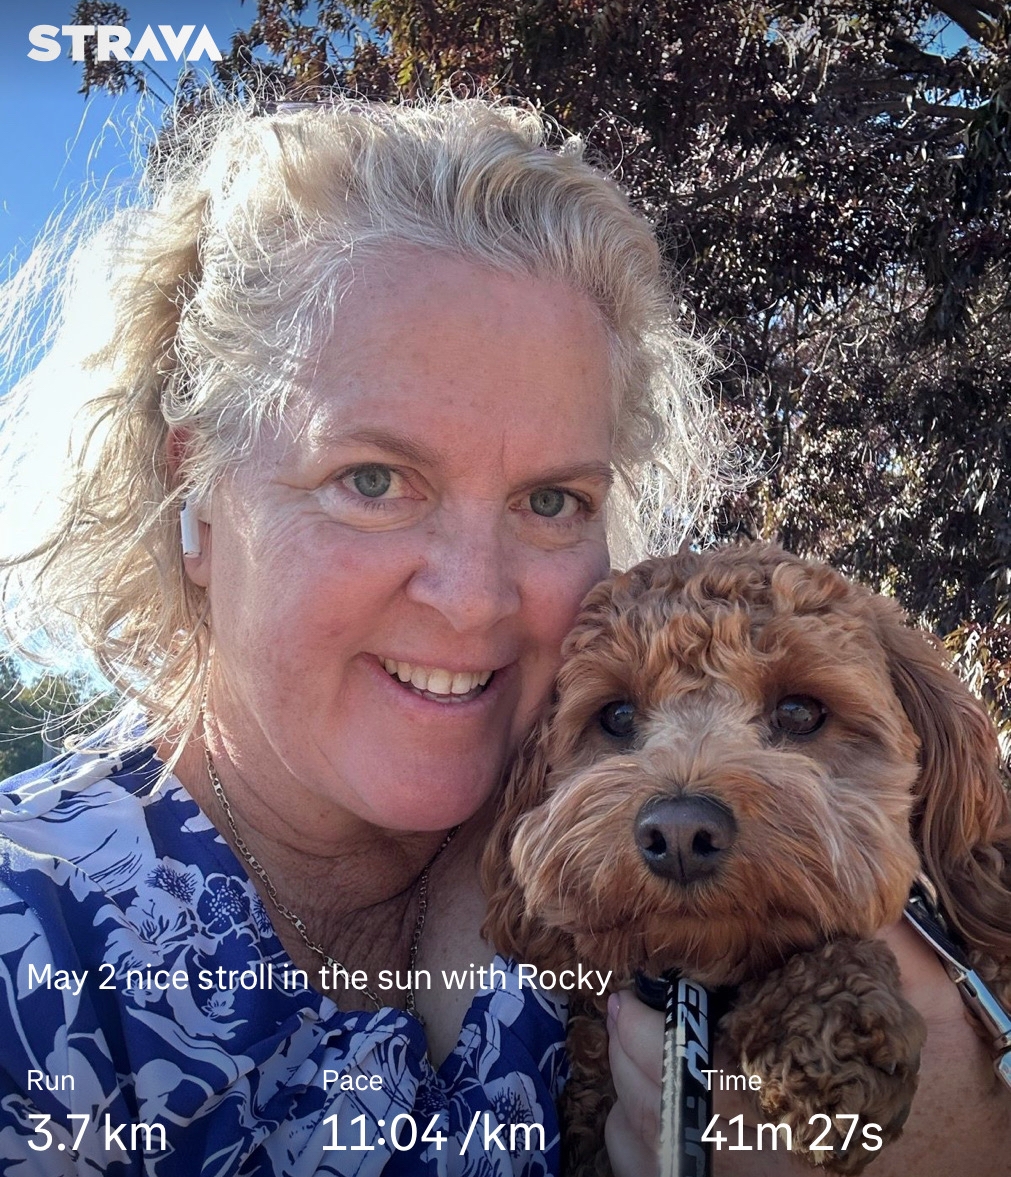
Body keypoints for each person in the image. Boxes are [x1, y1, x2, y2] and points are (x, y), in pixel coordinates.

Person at [0, 96, 1005, 1177]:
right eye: (371, 480)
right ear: (192, 487)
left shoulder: (645, 812)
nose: (475, 598)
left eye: (552, 501)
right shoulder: (36, 935)